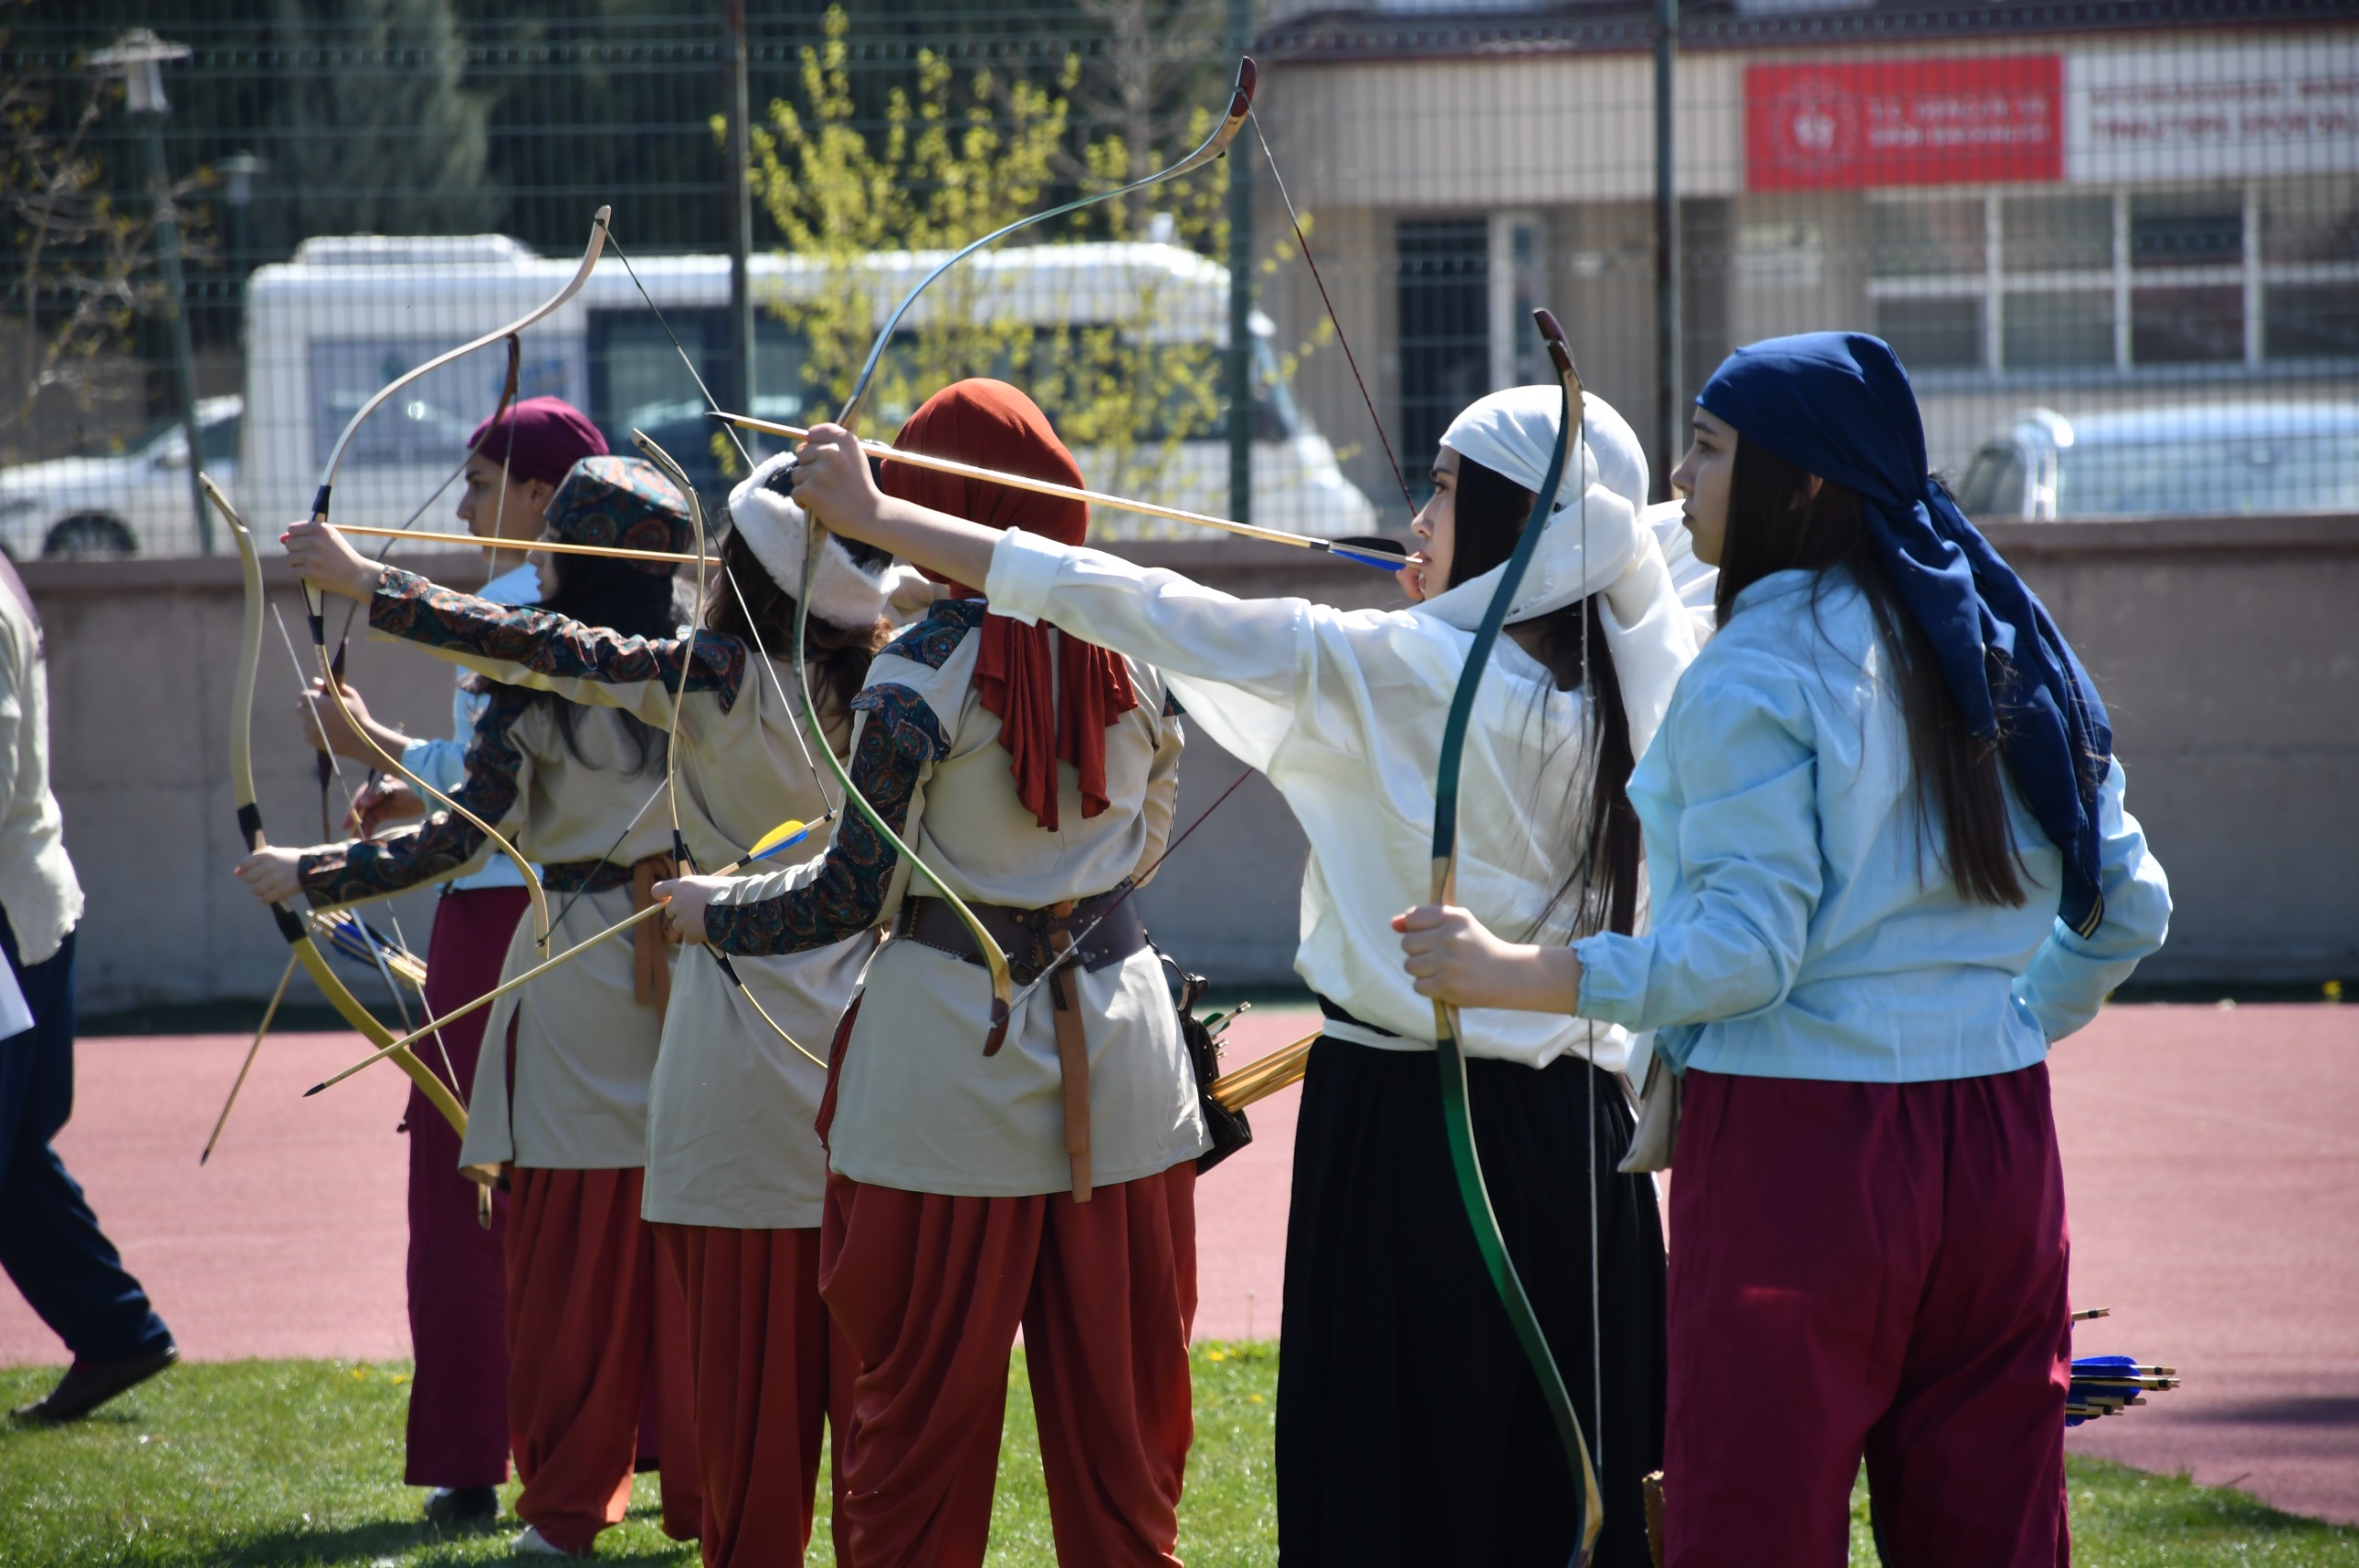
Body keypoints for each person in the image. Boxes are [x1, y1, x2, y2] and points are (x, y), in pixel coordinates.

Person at [784, 380, 1696, 1568]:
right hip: (1581, 1144)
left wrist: (881, 515)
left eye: (1445, 493)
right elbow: (1642, 541)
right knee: (1560, 1491)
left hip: (1410, 1136)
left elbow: (1138, 603)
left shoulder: (1393, 666)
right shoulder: (1644, 670)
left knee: (1400, 1489)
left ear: (1525, 525)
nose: (1418, 519)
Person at [1395, 333, 2173, 1567]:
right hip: (2001, 1142)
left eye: (1707, 449)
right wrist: (1999, 1020)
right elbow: (2128, 906)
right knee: (1996, 1529)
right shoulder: (2001, 641)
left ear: (1801, 483)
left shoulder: (1755, 665)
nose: (1678, 482)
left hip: (1799, 1155)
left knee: (1749, 1526)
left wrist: (1515, 970)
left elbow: (1744, 954)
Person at [288, 444, 899, 1567]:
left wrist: (367, 586)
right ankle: (730, 1503)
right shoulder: (879, 680)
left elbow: (531, 668)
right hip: (796, 996)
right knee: (761, 1285)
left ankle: (584, 1503)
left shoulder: (702, 673)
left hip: (651, 989)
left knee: (604, 1272)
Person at [659, 380, 1204, 1568]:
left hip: (952, 1061)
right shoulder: (1138, 648)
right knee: (1124, 1426)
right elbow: (1146, 837)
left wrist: (715, 913)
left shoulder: (916, 671)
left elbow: (848, 892)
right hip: (1122, 1040)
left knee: (916, 1427)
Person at [241, 456, 706, 1558]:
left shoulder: (548, 680)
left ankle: (571, 1505)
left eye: (554, 550)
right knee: (701, 1248)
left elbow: (464, 839)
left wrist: (312, 873)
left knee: (573, 1258)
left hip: (587, 981)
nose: (537, 568)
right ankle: (709, 1492)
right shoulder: (716, 670)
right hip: (700, 968)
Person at [295, 393, 606, 1527]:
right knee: (598, 1179)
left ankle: (476, 1451)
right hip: (585, 920)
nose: (467, 507)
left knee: (469, 1181)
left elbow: (497, 797)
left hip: (500, 921)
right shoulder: (598, 612)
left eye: (482, 485)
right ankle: (636, 1435)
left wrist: (368, 739)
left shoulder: (520, 606)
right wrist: (396, 764)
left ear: (539, 494)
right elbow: (505, 771)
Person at [0, 555, 178, 1423]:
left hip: (12, 917)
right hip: (28, 904)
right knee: (12, 1156)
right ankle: (115, 1331)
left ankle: (117, 1330)